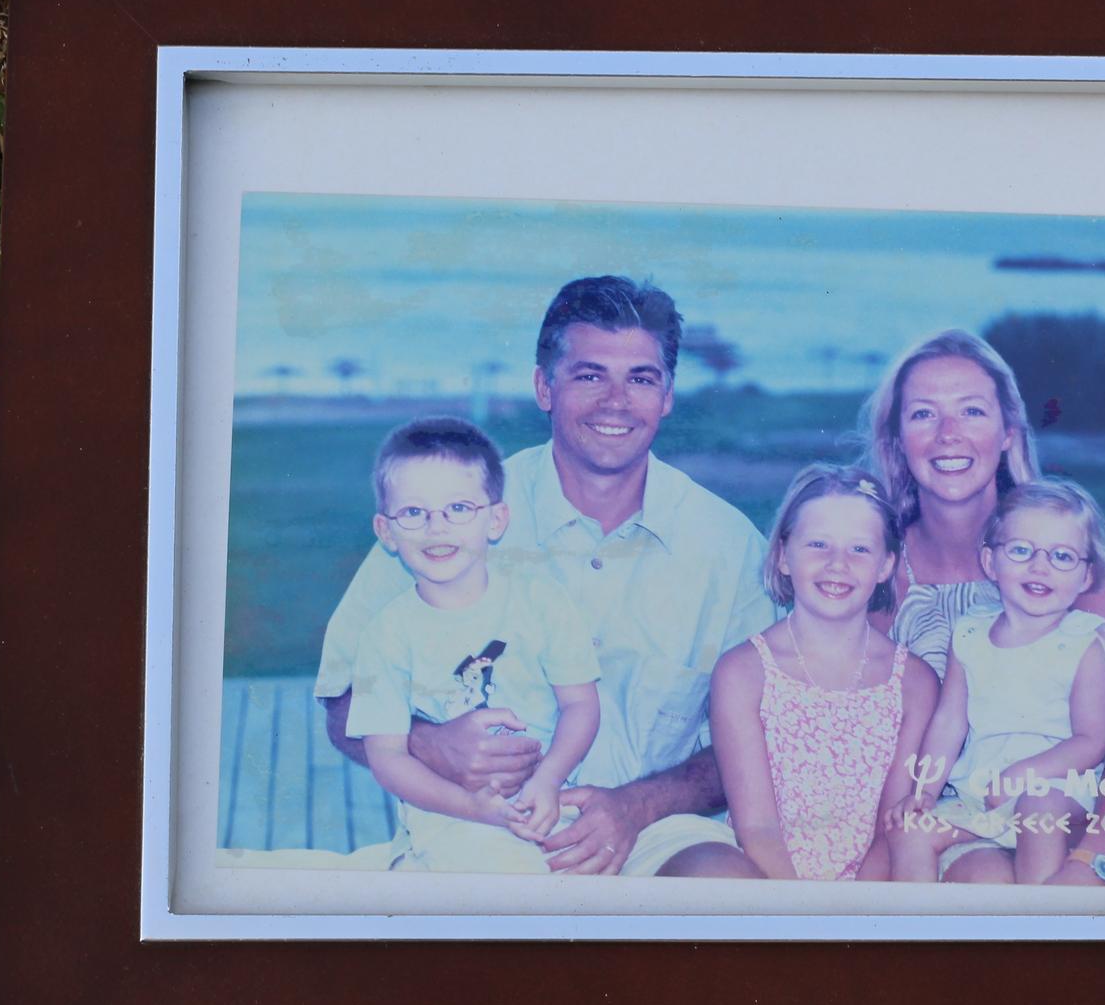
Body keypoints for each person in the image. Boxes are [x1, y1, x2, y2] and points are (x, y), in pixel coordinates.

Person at [317, 277, 775, 877]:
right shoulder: (448, 517)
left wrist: (636, 806)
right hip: (482, 828)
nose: (616, 401)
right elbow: (343, 701)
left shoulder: (730, 545)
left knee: (724, 884)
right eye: (589, 376)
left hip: (653, 832)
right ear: (543, 387)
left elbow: (767, 736)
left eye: (640, 379)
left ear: (666, 396)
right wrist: (432, 744)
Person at [863, 329, 1105, 887]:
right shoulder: (874, 572)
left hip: (1084, 820)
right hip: (965, 819)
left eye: (972, 411)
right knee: (983, 881)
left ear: (1008, 432)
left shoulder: (1071, 568)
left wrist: (1091, 862)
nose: (948, 434)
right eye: (924, 413)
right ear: (897, 438)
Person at [346, 418, 601, 867]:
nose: (437, 528)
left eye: (459, 508)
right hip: (450, 816)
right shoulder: (385, 634)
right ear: (386, 532)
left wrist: (547, 780)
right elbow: (386, 756)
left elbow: (581, 705)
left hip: (553, 798)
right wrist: (473, 808)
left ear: (496, 520)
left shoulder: (542, 602)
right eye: (414, 513)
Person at [886, 481, 1105, 884]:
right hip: (980, 795)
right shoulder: (970, 634)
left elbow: (1092, 739)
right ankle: (919, 919)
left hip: (1059, 793)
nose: (1040, 567)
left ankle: (1038, 913)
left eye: (1062, 556)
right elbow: (949, 723)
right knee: (910, 831)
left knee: (1037, 808)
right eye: (1021, 550)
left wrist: (1025, 775)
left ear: (1086, 576)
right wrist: (924, 791)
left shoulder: (1083, 642)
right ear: (991, 562)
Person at [709, 466, 938, 881]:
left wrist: (855, 912)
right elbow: (757, 829)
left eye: (860, 549)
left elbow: (891, 829)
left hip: (873, 890)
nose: (838, 565)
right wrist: (806, 912)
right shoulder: (742, 673)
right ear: (783, 555)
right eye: (818, 544)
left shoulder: (914, 683)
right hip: (769, 884)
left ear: (886, 565)